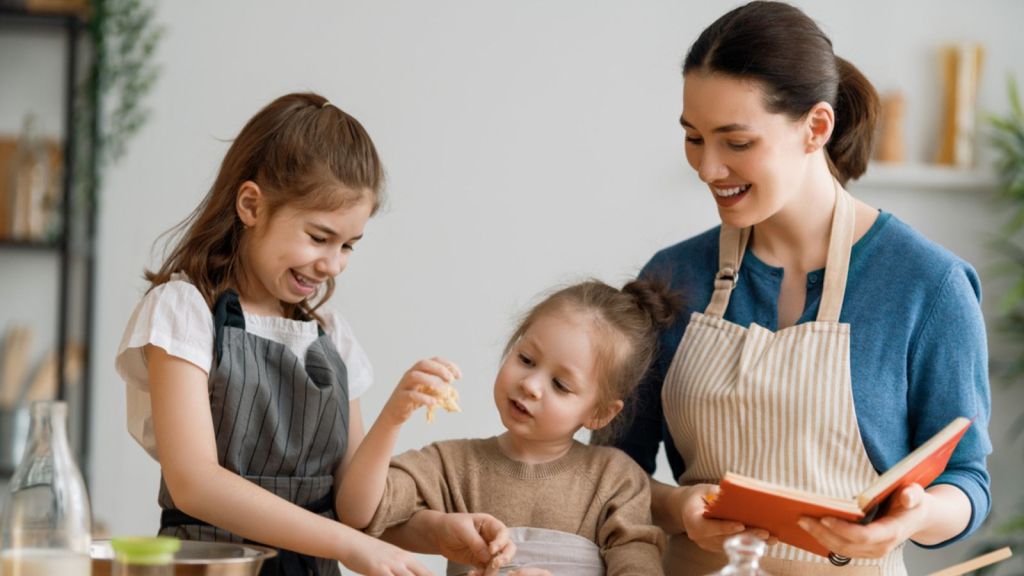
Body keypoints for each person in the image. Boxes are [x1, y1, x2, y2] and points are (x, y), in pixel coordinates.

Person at [606, 3, 993, 575]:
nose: (708, 169)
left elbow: (968, 480)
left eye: (736, 143)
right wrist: (675, 505)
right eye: (694, 138)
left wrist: (914, 516)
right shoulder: (673, 275)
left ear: (816, 127)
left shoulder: (927, 286)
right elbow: (610, 469)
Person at [115, 92, 512, 576]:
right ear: (250, 206)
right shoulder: (184, 312)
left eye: (348, 245)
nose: (332, 264)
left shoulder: (329, 336)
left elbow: (352, 508)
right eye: (319, 237)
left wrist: (438, 531)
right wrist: (346, 545)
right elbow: (196, 483)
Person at [338, 280, 679, 575]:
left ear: (600, 414)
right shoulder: (451, 464)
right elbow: (357, 513)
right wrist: (392, 418)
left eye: (560, 384)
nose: (531, 384)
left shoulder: (616, 480)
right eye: (526, 360)